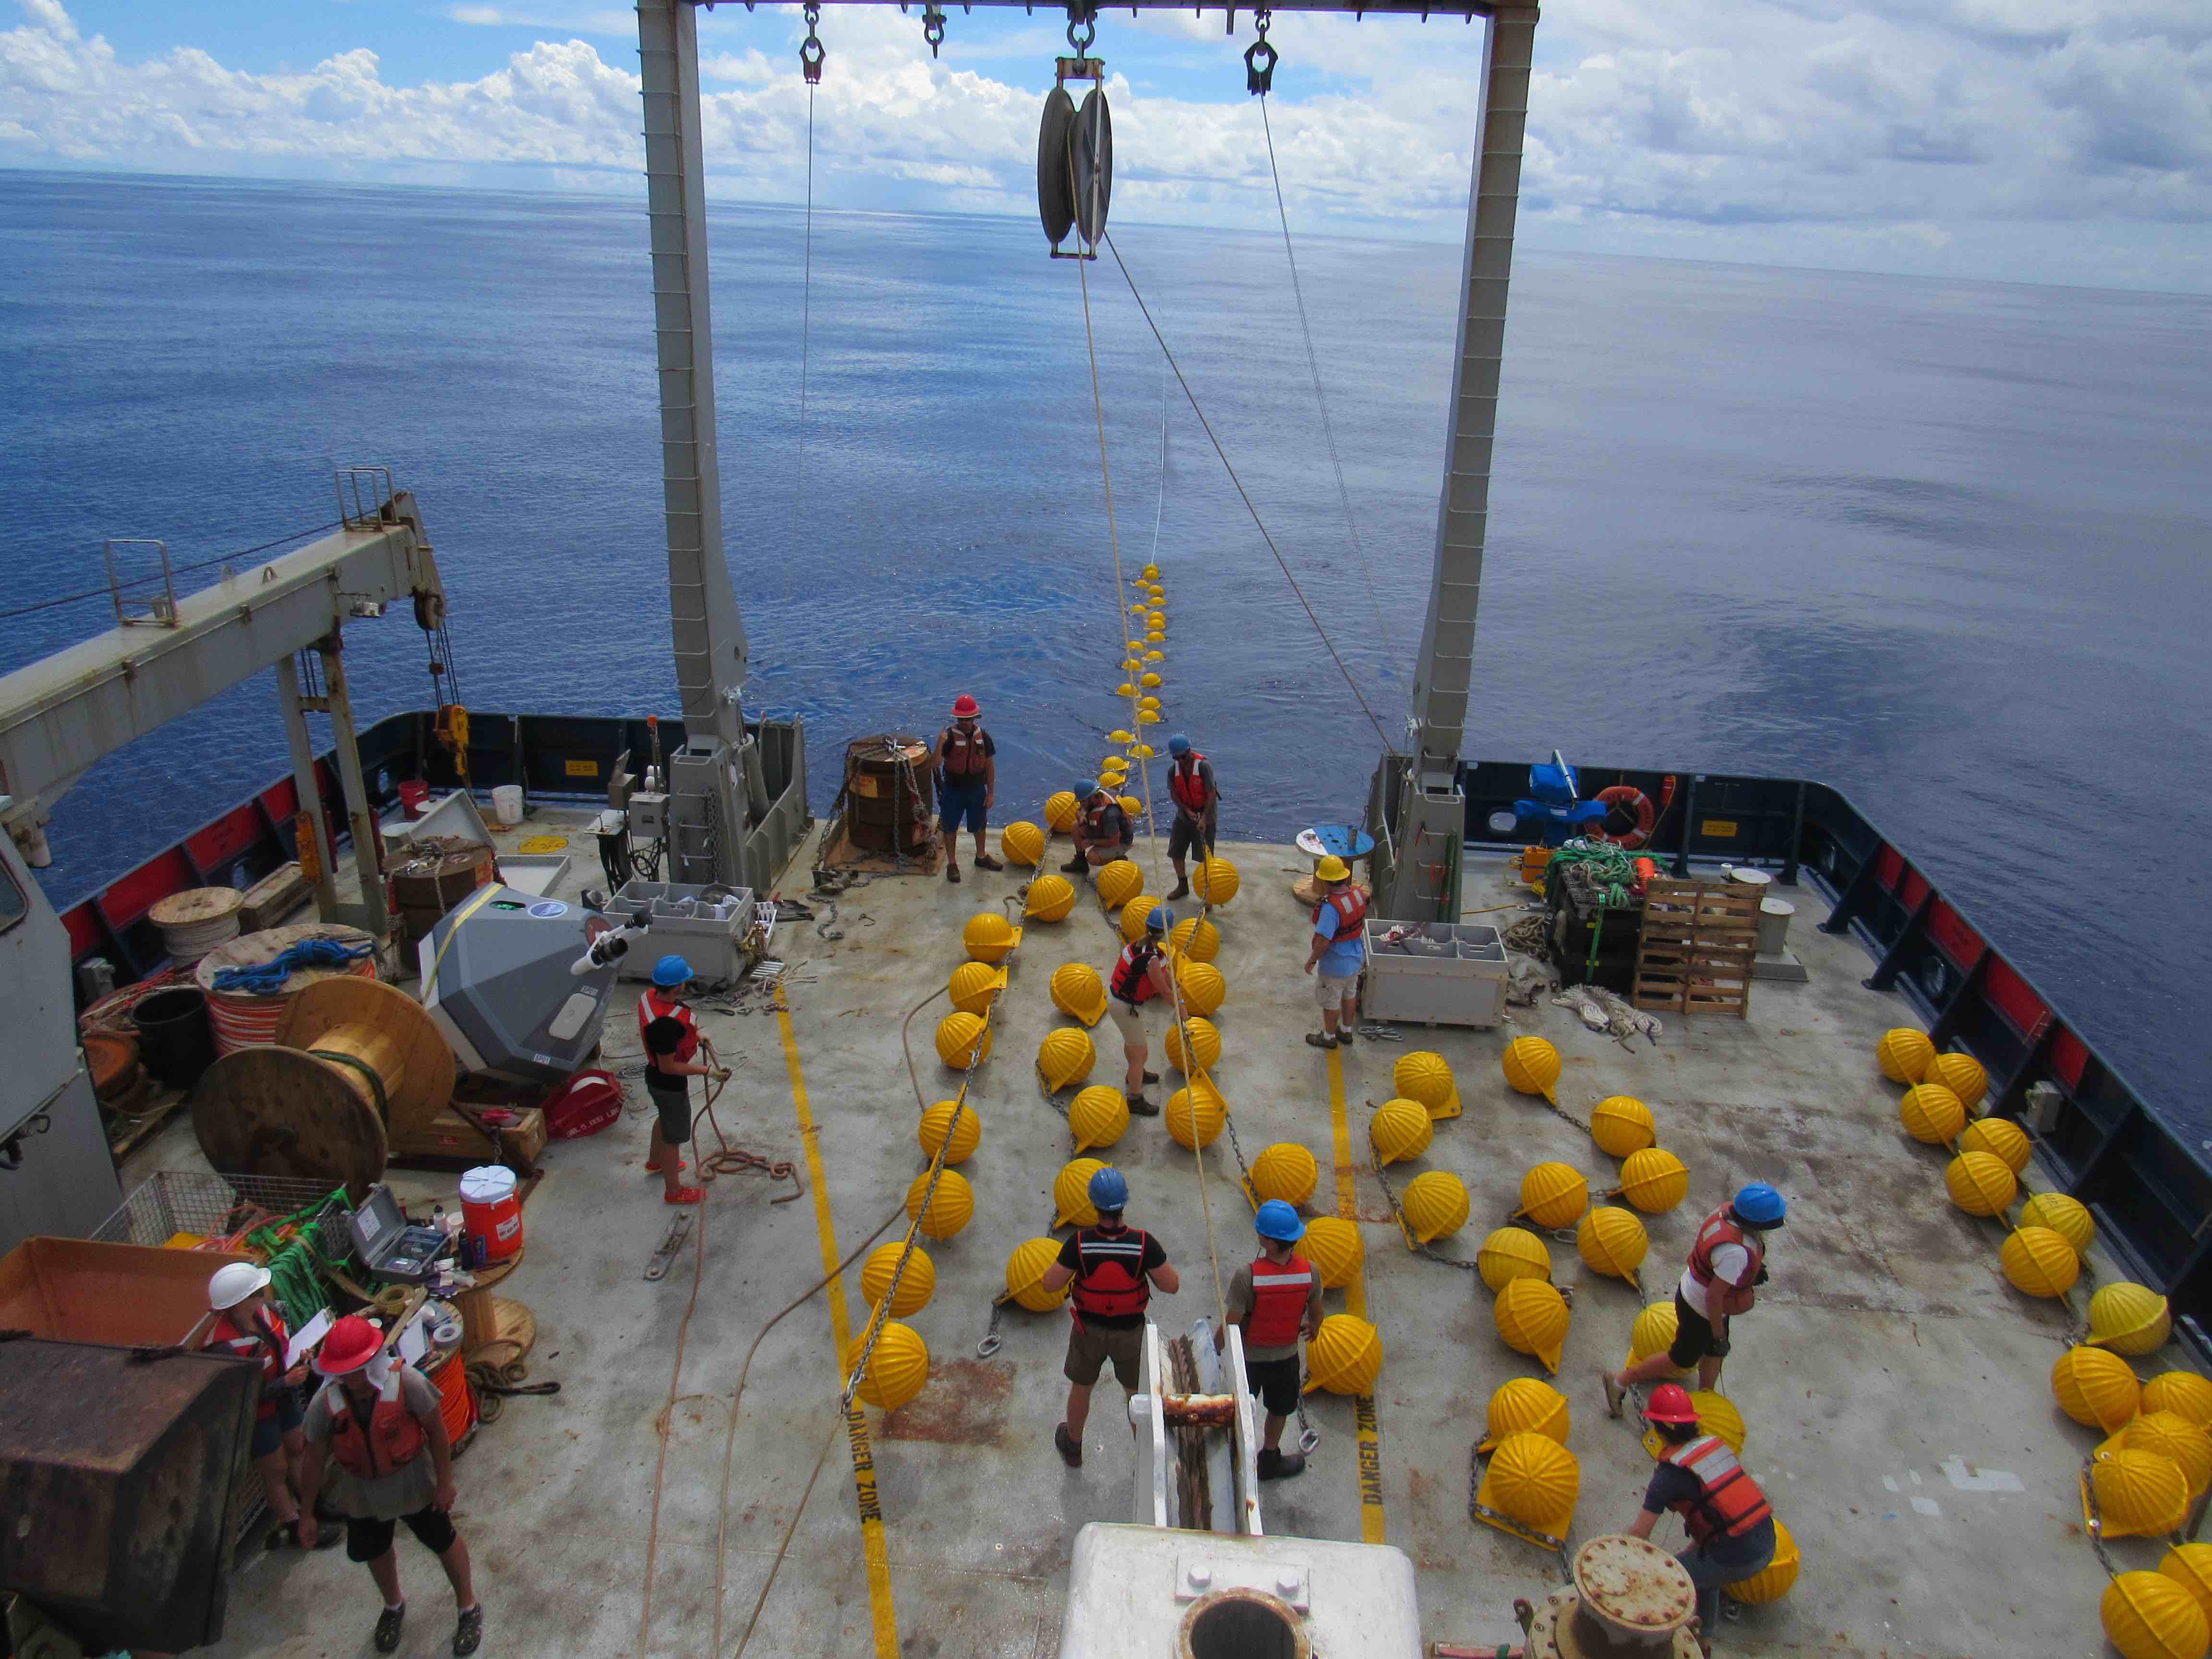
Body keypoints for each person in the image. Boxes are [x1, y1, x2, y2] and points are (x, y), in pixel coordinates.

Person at [296, 1315, 483, 1657]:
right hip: (361, 1492)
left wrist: (445, 1482)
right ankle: (393, 1605)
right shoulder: (326, 1403)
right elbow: (313, 1459)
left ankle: (468, 1607)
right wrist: (307, 1513)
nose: (350, 1377)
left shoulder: (408, 1382)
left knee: (444, 1540)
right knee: (375, 1550)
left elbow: (438, 1432)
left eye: (356, 1367)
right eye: (343, 1369)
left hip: (414, 1483)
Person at [1038, 1167, 1179, 1467]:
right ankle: (1144, 1461)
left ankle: (1074, 1446)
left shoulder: (1079, 1243)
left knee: (1082, 1387)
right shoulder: (1144, 1243)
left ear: (1093, 1204)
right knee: (1134, 1395)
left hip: (1088, 1331)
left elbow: (1050, 1285)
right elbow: (1172, 1285)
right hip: (1130, 1333)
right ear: (1124, 1204)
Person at [1605, 1184, 1785, 1412]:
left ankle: (1705, 1399)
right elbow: (1714, 1297)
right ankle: (1619, 1381)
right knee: (1681, 1359)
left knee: (1713, 1352)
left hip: (1693, 1289)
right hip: (1702, 1311)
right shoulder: (1735, 1254)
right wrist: (1718, 1332)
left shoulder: (1726, 1213)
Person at [1623, 1383, 1778, 1643]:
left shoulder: (1668, 1475)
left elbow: (1639, 1535)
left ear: (1659, 1429)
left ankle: (1644, 1643)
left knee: (1662, 1580)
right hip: (1767, 1541)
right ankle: (1703, 1640)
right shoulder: (1715, 1445)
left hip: (1738, 1556)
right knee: (1705, 1573)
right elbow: (1721, 1512)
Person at [204, 1262, 336, 1551]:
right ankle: (295, 1527)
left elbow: (281, 1348)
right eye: (258, 1292)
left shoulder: (270, 1312)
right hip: (260, 1412)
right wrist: (285, 1383)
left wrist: (300, 1357)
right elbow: (239, 1397)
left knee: (297, 1447)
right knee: (275, 1470)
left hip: (285, 1396)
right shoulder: (223, 1348)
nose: (265, 1294)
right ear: (240, 1303)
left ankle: (312, 1508)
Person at [1215, 1201, 1324, 1480]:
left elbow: (1233, 1321)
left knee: (1238, 1407)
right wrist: (1314, 1327)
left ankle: (1232, 1454)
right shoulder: (1310, 1271)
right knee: (1279, 1409)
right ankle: (1270, 1458)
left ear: (1268, 1242)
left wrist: (1215, 1347)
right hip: (1287, 1359)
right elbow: (1317, 1310)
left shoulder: (1247, 1276)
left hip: (1249, 1361)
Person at [637, 953, 721, 1205]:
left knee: (664, 1119)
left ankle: (655, 1162)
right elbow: (669, 1066)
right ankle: (674, 1191)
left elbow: (670, 1038)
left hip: (654, 1078)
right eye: (684, 981)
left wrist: (696, 1036)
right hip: (668, 1084)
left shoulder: (648, 998)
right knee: (674, 1138)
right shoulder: (667, 1026)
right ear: (677, 987)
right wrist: (708, 1072)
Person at [1107, 902, 1176, 1117]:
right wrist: (1182, 1011)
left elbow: (1164, 979)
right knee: (1141, 1054)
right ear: (1166, 932)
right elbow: (1165, 991)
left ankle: (1134, 1074)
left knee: (1133, 1044)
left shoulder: (1140, 946)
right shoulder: (1152, 959)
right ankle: (1135, 1099)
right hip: (1126, 1008)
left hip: (1118, 1002)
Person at [932, 694, 1001, 885]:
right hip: (953, 790)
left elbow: (989, 766)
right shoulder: (949, 737)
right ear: (957, 719)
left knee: (980, 825)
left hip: (977, 790)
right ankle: (952, 863)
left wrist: (991, 793)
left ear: (975, 718)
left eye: (968, 719)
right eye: (962, 719)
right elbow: (935, 764)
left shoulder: (984, 737)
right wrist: (939, 744)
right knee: (950, 827)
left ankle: (981, 857)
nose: (965, 723)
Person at [1302, 854, 1367, 1049]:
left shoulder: (1331, 908)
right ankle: (1346, 1032)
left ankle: (1329, 1037)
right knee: (1350, 995)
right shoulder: (1357, 895)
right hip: (1355, 958)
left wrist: (1312, 960)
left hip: (1335, 965)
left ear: (1325, 881)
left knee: (1331, 1001)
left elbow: (1323, 941)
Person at [1163, 734, 1218, 902]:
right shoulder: (1173, 771)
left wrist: (1204, 818)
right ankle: (1182, 886)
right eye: (1176, 758)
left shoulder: (1203, 767)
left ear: (1190, 751)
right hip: (1184, 816)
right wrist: (1187, 811)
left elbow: (1211, 794)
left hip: (1206, 815)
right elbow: (1174, 795)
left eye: (1184, 757)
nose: (1181, 761)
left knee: (1205, 857)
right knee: (1176, 852)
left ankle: (1208, 894)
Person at [1062, 779, 1133, 877]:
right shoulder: (1094, 800)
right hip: (1104, 830)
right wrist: (1082, 822)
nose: (1081, 805)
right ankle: (1081, 863)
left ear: (1092, 798)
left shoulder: (1109, 814)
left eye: (1083, 801)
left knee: (1092, 858)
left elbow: (1114, 841)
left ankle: (1118, 859)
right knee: (1075, 826)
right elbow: (1086, 824)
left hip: (1120, 841)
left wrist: (1091, 842)